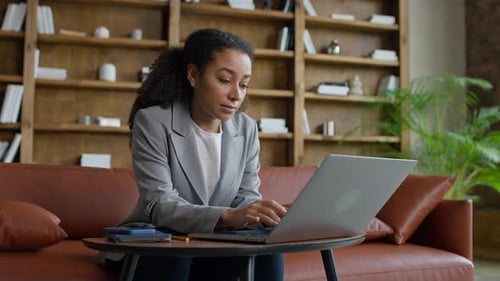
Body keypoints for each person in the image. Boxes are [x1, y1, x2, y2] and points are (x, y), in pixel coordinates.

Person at [111, 28, 288, 281]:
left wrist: (259, 213)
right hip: (159, 240)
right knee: (176, 255)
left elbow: (246, 195)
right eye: (225, 80)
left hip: (215, 243)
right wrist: (226, 215)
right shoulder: (153, 122)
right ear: (194, 75)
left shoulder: (246, 128)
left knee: (268, 250)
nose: (236, 94)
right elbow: (160, 204)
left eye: (244, 84)